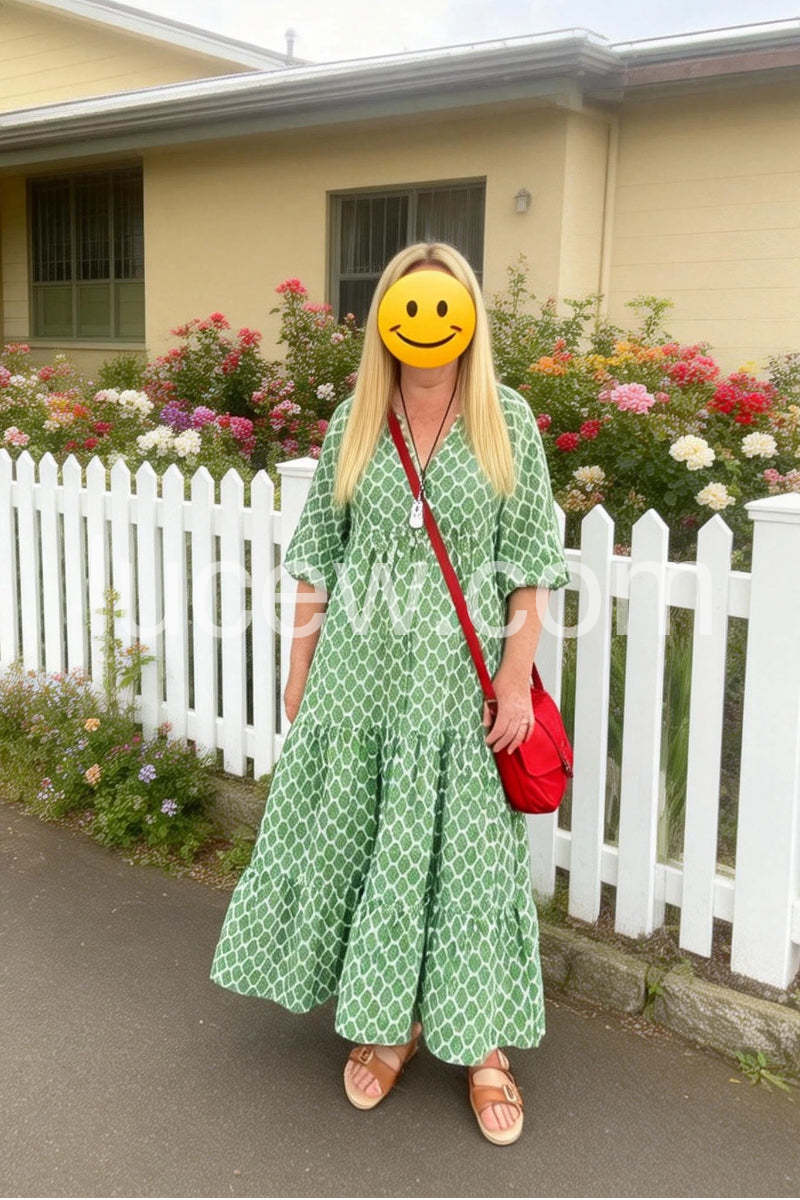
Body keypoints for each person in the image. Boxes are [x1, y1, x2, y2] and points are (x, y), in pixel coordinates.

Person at [209, 241, 570, 1146]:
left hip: (457, 695)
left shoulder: (506, 419)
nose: (428, 326)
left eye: (445, 306)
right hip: (358, 684)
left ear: (467, 316)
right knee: (372, 851)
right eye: (408, 308)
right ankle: (388, 1025)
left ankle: (483, 1046)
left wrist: (515, 680)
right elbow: (318, 553)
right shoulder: (357, 418)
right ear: (386, 321)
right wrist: (299, 666)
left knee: (468, 863)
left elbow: (530, 564)